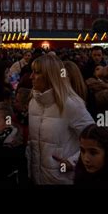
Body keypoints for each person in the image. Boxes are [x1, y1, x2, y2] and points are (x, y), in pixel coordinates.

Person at [27, 54, 94, 184]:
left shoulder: (71, 104)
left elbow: (94, 138)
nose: (31, 76)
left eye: (37, 72)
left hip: (62, 179)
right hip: (37, 178)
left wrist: (72, 162)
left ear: (50, 76)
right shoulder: (33, 103)